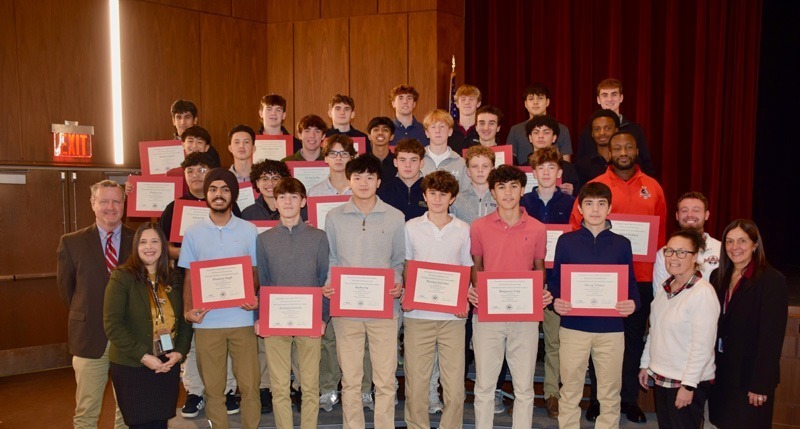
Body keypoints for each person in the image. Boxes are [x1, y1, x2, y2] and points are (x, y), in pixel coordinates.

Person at [569, 131, 667, 423]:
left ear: (637, 151)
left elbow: (660, 236)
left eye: (628, 147)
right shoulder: (595, 186)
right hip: (600, 280)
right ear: (608, 153)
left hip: (641, 278)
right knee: (599, 342)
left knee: (633, 341)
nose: (623, 152)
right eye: (617, 148)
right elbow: (576, 227)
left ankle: (629, 400)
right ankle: (598, 400)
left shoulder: (653, 188)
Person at [466, 165, 554, 429]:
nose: (507, 193)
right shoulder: (478, 227)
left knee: (524, 387)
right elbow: (476, 265)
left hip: (524, 316)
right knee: (484, 385)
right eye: (501, 187)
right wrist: (475, 290)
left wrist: (541, 293)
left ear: (522, 190)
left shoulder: (538, 228)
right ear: (493, 192)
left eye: (513, 186)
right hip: (487, 314)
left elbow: (539, 267)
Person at [156, 153, 243, 417]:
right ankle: (194, 392)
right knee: (190, 337)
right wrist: (188, 252)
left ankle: (228, 390)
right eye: (190, 170)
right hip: (184, 279)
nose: (196, 175)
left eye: (202, 169)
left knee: (224, 333)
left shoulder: (228, 204)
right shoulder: (173, 207)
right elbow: (163, 247)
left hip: (224, 282)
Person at [322, 155, 406, 428]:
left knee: (385, 380)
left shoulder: (395, 217)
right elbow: (332, 258)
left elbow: (398, 260)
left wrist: (398, 281)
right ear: (349, 181)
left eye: (370, 177)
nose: (364, 183)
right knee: (351, 380)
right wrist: (329, 282)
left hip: (384, 309)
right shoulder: (334, 217)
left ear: (379, 182)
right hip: (347, 310)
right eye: (357, 177)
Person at [551, 182, 640, 429]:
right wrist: (557, 300)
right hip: (573, 327)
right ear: (580, 208)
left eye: (601, 204)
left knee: (610, 392)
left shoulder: (622, 243)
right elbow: (556, 281)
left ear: (609, 208)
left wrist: (633, 303)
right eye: (589, 203)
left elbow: (631, 284)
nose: (595, 209)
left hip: (611, 330)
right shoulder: (566, 242)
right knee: (570, 389)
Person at [179, 168, 261, 429]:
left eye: (225, 190)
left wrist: (252, 295)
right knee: (213, 390)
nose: (218, 194)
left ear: (233, 195)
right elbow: (189, 276)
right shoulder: (193, 232)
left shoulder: (249, 230)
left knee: (250, 387)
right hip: (207, 322)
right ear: (206, 194)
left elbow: (255, 272)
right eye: (213, 189)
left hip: (242, 320)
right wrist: (188, 310)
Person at [57, 180, 134, 429]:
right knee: (87, 410)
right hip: (88, 336)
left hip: (130, 337)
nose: (111, 207)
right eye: (104, 201)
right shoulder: (71, 242)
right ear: (92, 203)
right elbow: (67, 291)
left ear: (124, 204)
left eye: (116, 201)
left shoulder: (139, 240)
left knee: (128, 408)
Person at [256, 177, 329, 429]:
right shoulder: (264, 239)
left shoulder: (319, 237)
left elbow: (324, 279)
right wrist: (259, 318)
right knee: (279, 388)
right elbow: (263, 282)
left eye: (294, 197)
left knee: (310, 386)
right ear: (275, 202)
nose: (288, 202)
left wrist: (323, 317)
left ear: (303, 201)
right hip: (275, 322)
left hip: (310, 321)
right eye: (282, 197)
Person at [104, 223, 192, 429]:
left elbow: (185, 320)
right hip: (133, 366)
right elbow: (112, 325)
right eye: (143, 242)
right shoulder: (122, 277)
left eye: (154, 241)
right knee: (140, 424)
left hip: (167, 363)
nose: (149, 247)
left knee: (161, 423)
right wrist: (144, 357)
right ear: (136, 247)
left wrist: (179, 352)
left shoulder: (173, 278)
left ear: (163, 246)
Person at [403, 171, 471, 429]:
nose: (438, 199)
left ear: (452, 198)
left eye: (443, 194)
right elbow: (407, 264)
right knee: (416, 383)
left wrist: (464, 300)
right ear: (425, 195)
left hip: (452, 319)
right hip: (417, 316)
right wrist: (408, 294)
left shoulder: (463, 229)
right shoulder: (411, 227)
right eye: (432, 193)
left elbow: (466, 268)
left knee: (454, 385)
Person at [708, 219, 788, 428]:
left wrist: (761, 384)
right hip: (723, 371)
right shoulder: (718, 276)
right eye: (729, 241)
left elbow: (771, 338)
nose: (735, 247)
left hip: (750, 376)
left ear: (755, 245)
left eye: (742, 241)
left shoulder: (772, 280)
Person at [638, 228, 719, 429]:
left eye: (682, 252)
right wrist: (646, 364)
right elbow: (655, 330)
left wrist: (688, 386)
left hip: (686, 381)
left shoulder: (702, 293)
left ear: (695, 256)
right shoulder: (665, 288)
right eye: (670, 251)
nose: (674, 257)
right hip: (662, 376)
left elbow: (702, 346)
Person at [519, 146, 576, 419]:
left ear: (559, 172)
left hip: (556, 282)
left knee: (554, 342)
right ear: (533, 172)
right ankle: (523, 393)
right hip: (526, 280)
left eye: (551, 167)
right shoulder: (522, 202)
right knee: (522, 343)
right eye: (541, 168)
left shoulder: (570, 203)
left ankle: (552, 393)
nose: (546, 172)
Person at [576, 79, 655, 176]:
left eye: (614, 94)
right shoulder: (587, 131)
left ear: (621, 98)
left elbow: (646, 165)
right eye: (605, 95)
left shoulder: (635, 130)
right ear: (598, 99)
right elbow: (580, 165)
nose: (609, 99)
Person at [652, 192, 721, 293]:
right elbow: (659, 293)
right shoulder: (664, 253)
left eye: (696, 210)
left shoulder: (721, 250)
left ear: (706, 215)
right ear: (677, 216)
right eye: (684, 211)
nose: (689, 215)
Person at [506, 83, 573, 165]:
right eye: (531, 99)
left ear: (547, 102)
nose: (535, 102)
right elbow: (509, 164)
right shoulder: (515, 130)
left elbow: (566, 164)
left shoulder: (562, 129)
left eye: (540, 98)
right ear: (525, 104)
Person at [524, 115, 580, 195]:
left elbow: (579, 198)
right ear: (530, 138)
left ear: (554, 137)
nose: (540, 136)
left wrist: (572, 193)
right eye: (536, 132)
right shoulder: (521, 170)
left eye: (546, 132)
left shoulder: (568, 169)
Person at [377, 138, 427, 221]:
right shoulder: (383, 191)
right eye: (402, 160)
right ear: (395, 162)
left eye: (413, 160)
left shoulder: (432, 191)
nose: (408, 165)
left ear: (421, 163)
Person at [420, 109, 469, 188]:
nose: (437, 131)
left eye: (442, 126)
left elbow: (465, 192)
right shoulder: (417, 159)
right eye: (433, 127)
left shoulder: (461, 163)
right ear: (427, 133)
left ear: (450, 131)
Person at [574, 109, 619, 187]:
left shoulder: (624, 161)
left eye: (607, 128)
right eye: (597, 129)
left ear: (616, 130)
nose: (602, 133)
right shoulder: (582, 165)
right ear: (592, 133)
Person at [171, 99, 221, 167]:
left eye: (187, 117)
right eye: (179, 117)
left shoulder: (207, 150)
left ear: (195, 120)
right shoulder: (167, 149)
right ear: (173, 121)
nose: (183, 122)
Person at [449, 84, 482, 153]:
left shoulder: (484, 131)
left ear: (478, 103)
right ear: (457, 104)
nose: (467, 102)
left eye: (471, 99)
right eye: (463, 99)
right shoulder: (448, 129)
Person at [366, 116, 398, 184]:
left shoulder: (398, 162)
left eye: (385, 130)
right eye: (376, 130)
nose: (380, 133)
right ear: (369, 136)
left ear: (391, 137)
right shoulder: (361, 162)